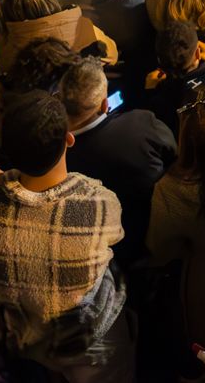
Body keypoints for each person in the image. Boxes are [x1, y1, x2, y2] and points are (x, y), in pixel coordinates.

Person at [0, 91, 133, 382]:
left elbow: (31, 213)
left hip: (31, 339)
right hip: (90, 342)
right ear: (69, 139)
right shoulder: (99, 203)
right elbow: (113, 235)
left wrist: (2, 180)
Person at [58, 57, 175, 262]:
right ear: (105, 105)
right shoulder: (143, 123)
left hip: (107, 252)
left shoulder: (58, 159)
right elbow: (175, 157)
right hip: (160, 231)